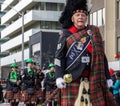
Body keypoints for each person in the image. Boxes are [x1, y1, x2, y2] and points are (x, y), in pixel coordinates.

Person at [54, 0, 115, 106]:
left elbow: (102, 57)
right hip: (72, 79)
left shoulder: (93, 32)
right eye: (77, 15)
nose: (80, 17)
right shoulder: (66, 35)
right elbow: (59, 58)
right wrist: (59, 76)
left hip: (94, 80)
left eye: (83, 15)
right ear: (72, 18)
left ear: (86, 18)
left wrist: (108, 76)